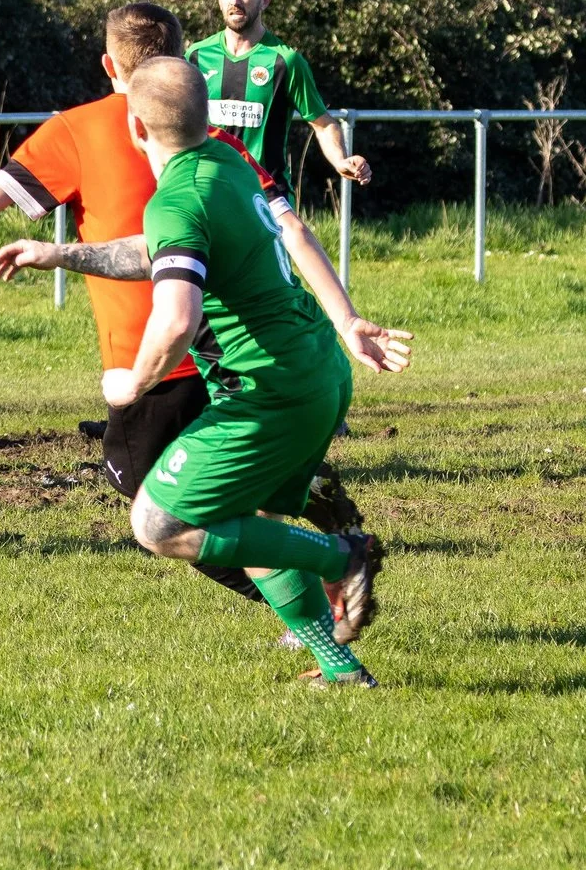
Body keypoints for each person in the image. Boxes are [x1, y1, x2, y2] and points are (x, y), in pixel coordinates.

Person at [0, 2, 406, 636]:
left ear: (109, 64)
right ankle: (310, 536)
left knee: (157, 503)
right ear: (184, 57)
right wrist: (346, 317)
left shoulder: (82, 130)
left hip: (157, 361)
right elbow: (288, 228)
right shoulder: (209, 136)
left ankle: (316, 587)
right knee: (212, 494)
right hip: (231, 356)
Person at [94, 58, 389, 688]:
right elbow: (185, 251)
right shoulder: (226, 157)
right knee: (244, 521)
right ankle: (338, 668)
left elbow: (175, 320)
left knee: (159, 523)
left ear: (135, 127)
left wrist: (131, 385)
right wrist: (57, 255)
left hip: (269, 393)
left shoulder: (174, 201)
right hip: (320, 371)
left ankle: (340, 555)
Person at [188, 0, 371, 194]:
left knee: (303, 234)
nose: (234, 1)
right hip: (208, 192)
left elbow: (323, 124)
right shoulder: (196, 56)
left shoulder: (285, 61)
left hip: (268, 195)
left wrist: (340, 160)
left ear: (265, 0)